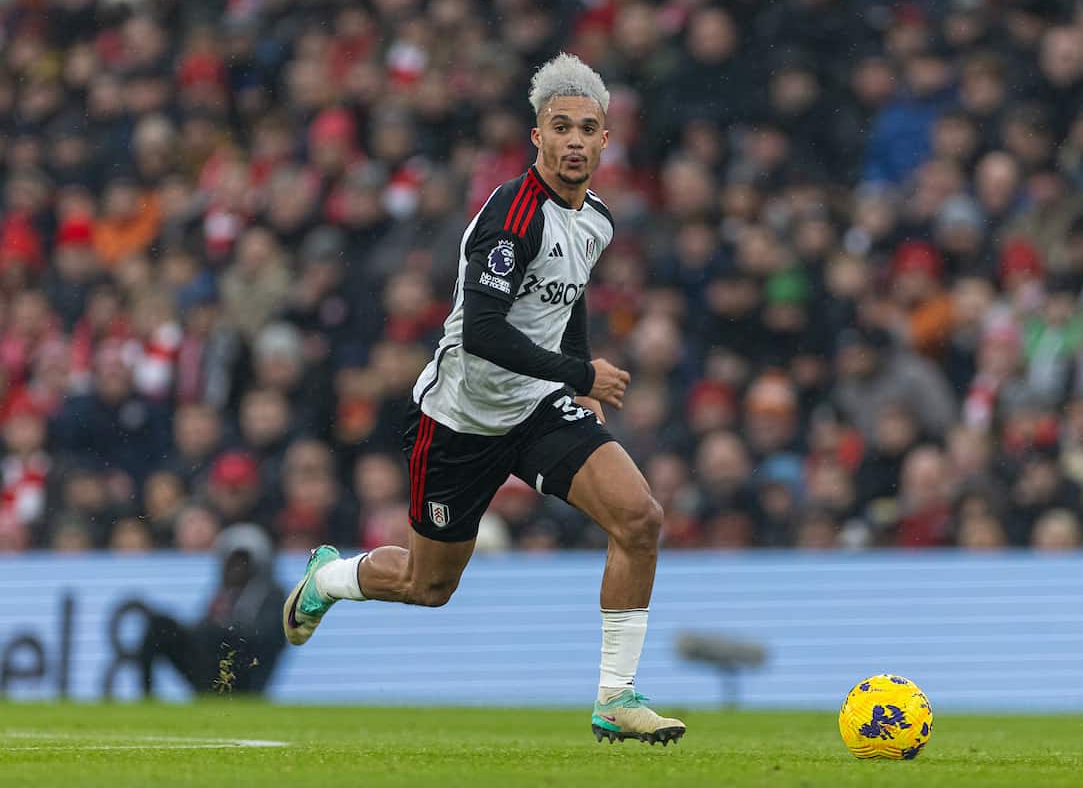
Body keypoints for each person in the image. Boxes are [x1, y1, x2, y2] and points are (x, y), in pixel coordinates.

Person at [282, 54, 685, 746]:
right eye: (561, 127)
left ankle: (615, 699)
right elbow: (482, 333)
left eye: (589, 128)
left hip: (533, 409)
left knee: (640, 520)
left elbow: (574, 291)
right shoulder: (513, 215)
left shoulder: (597, 220)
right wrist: (581, 375)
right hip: (459, 420)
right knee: (427, 586)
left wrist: (572, 379)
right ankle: (331, 577)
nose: (575, 141)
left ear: (607, 140)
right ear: (537, 136)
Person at [139, 524, 286, 695]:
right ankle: (147, 695)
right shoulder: (225, 593)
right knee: (160, 625)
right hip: (212, 666)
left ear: (257, 564)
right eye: (230, 561)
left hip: (245, 675)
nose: (234, 568)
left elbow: (267, 638)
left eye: (241, 562)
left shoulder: (272, 594)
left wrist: (221, 629)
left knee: (210, 632)